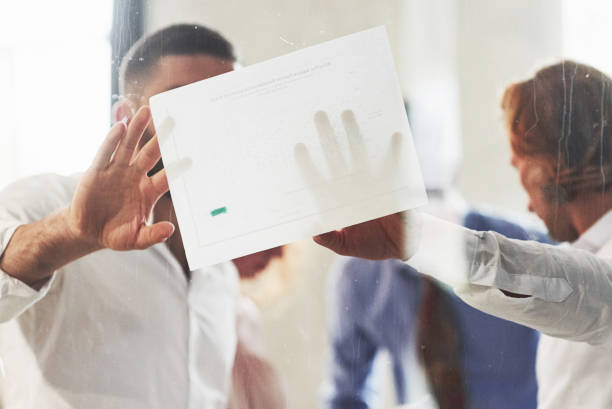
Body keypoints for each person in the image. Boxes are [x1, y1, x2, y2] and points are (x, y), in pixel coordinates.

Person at [0, 24, 282, 409]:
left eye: (225, 105)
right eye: (181, 105)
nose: (208, 126)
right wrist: (71, 232)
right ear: (124, 116)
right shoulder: (46, 200)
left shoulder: (220, 270)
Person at [314, 61, 612, 408]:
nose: (529, 205)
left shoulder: (546, 256)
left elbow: (585, 292)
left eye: (520, 167)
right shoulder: (358, 276)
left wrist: (415, 239)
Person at [326, 98, 551, 409]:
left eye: (430, 190)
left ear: (454, 171)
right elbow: (347, 395)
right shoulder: (359, 274)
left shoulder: (528, 244)